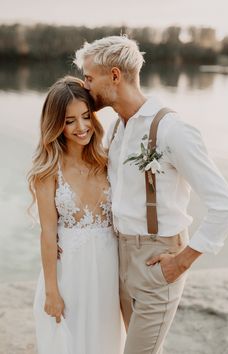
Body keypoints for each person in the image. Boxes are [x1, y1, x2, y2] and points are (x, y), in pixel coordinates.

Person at [73, 36, 228, 354]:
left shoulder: (173, 130)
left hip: (157, 260)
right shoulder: (119, 128)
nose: (84, 84)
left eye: (89, 77)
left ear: (115, 75)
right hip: (121, 258)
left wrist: (182, 262)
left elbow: (224, 204)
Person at [28, 76, 124, 354]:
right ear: (55, 124)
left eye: (85, 117)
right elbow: (47, 234)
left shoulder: (108, 162)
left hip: (108, 271)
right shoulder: (47, 171)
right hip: (68, 274)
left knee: (104, 343)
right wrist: (51, 291)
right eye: (70, 121)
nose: (81, 128)